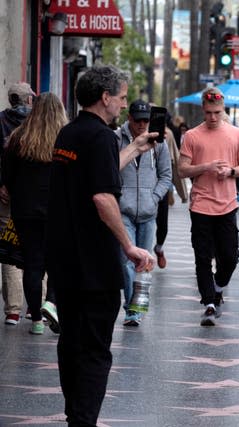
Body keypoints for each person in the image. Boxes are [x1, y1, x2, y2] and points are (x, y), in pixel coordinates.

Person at [46, 65, 156, 426]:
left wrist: (135, 148)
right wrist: (129, 247)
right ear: (105, 97)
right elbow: (102, 196)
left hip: (64, 259)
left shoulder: (68, 134)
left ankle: (73, 411)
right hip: (95, 264)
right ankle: (83, 419)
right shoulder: (104, 137)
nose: (124, 105)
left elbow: (98, 172)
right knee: (95, 350)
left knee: (71, 343)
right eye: (122, 97)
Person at [178, 86, 239, 326]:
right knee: (202, 257)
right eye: (209, 113)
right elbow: (182, 170)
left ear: (223, 109)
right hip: (200, 205)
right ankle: (209, 303)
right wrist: (206, 167)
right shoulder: (192, 136)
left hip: (227, 205)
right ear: (203, 110)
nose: (213, 117)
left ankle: (218, 288)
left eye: (217, 113)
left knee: (230, 257)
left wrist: (230, 171)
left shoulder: (236, 134)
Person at [2, 92, 67, 335]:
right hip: (57, 210)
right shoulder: (65, 137)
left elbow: (7, 175)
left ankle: (37, 319)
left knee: (32, 264)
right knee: (57, 261)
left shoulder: (19, 137)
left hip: (25, 210)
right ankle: (51, 302)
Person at [115, 100, 172, 326]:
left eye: (145, 120)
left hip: (148, 211)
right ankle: (132, 308)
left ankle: (136, 306)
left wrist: (154, 197)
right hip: (124, 210)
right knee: (127, 260)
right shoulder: (117, 139)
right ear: (129, 118)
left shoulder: (159, 144)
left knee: (144, 261)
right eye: (137, 119)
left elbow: (166, 175)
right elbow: (111, 169)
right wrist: (118, 196)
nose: (141, 124)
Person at [0, 83, 32, 325]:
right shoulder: (38, 125)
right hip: (34, 197)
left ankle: (12, 309)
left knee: (9, 248)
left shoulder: (0, 120)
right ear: (28, 101)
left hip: (6, 195)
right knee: (36, 248)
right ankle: (35, 306)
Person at [153, 117, 188, 270]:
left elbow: (174, 161)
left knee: (163, 226)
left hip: (162, 186)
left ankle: (159, 248)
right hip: (140, 189)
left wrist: (182, 193)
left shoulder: (167, 135)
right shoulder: (136, 134)